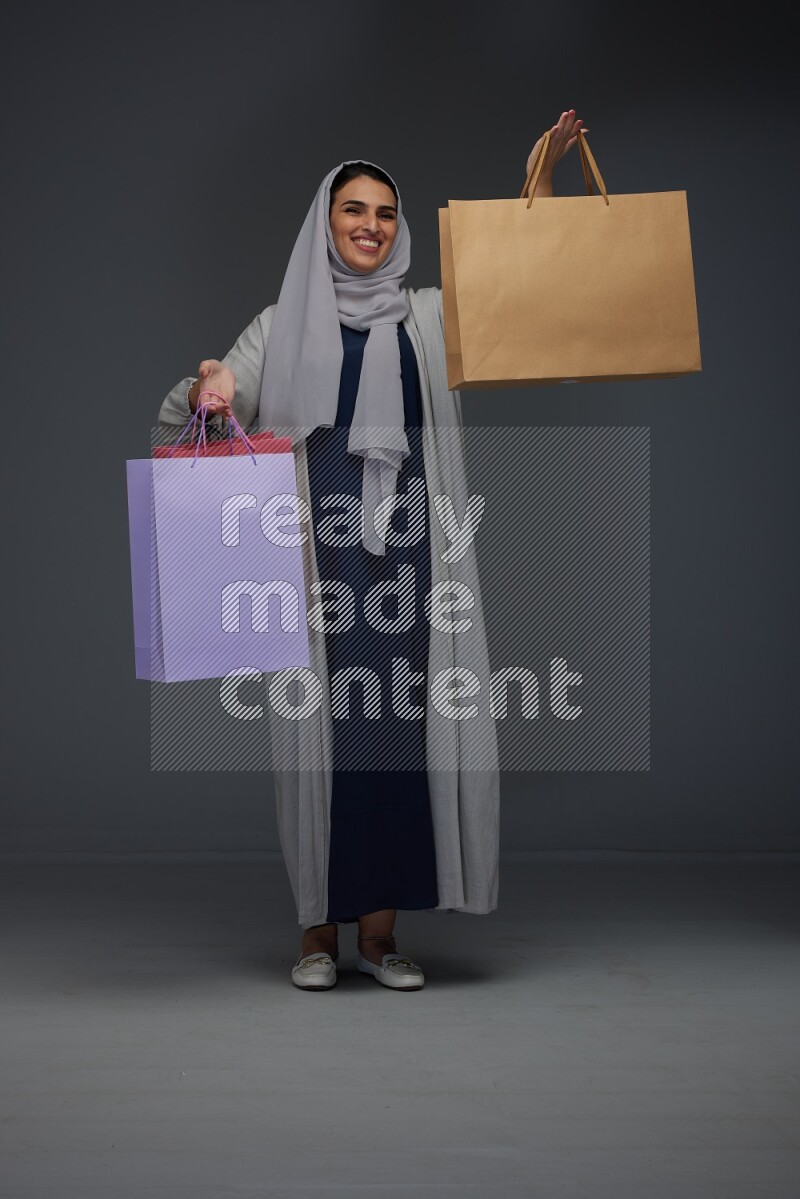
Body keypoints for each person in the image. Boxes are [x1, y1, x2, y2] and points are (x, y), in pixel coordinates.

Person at [156, 109, 588, 992]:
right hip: (314, 562)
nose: (370, 225)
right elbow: (206, 400)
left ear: (399, 228)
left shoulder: (427, 317)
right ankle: (318, 933)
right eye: (354, 209)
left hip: (412, 561)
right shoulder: (281, 322)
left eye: (386, 213)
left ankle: (383, 936)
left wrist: (538, 191)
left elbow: (515, 293)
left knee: (399, 733)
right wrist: (212, 383)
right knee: (320, 740)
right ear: (327, 221)